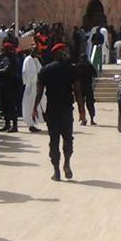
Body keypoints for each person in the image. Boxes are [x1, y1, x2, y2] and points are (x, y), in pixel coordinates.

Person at [33, 44, 84, 181]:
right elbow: (78, 92)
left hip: (52, 110)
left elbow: (39, 92)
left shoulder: (45, 70)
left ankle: (56, 172)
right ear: (61, 53)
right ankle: (66, 164)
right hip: (66, 109)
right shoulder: (72, 69)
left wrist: (34, 108)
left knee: (54, 140)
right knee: (68, 139)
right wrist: (82, 111)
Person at [0, 43, 21, 133]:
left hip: (11, 86)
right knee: (5, 106)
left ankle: (14, 126)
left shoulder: (13, 59)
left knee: (11, 106)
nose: (2, 51)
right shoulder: (6, 58)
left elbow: (6, 70)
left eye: (4, 50)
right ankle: (7, 125)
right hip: (4, 85)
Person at [22, 48, 45, 133]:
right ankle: (30, 124)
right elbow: (28, 73)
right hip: (30, 86)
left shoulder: (35, 59)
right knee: (29, 105)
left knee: (37, 104)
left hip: (36, 85)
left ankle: (34, 122)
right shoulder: (28, 60)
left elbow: (40, 70)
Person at [76, 55, 97, 126]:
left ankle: (83, 119)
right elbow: (95, 74)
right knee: (90, 103)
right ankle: (92, 120)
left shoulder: (78, 66)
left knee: (81, 104)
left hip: (80, 88)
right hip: (88, 87)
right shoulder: (89, 66)